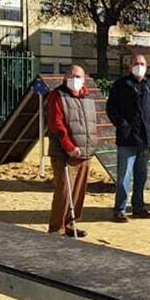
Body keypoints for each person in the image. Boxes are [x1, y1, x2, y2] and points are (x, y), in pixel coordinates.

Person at [45, 63, 97, 237]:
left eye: (78, 76)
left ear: (84, 80)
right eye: (72, 76)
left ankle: (70, 223)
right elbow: (56, 124)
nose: (75, 79)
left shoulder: (88, 97)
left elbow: (91, 124)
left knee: (79, 191)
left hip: (85, 152)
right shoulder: (57, 96)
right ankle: (56, 227)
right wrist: (69, 146)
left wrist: (91, 146)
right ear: (65, 78)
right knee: (64, 191)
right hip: (64, 153)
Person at [106, 55, 150, 222]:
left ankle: (139, 206)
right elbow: (111, 108)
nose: (139, 66)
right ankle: (120, 209)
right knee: (124, 176)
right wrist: (123, 125)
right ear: (130, 66)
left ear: (147, 66)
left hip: (145, 139)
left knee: (141, 175)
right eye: (136, 63)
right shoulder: (120, 85)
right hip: (127, 139)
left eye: (142, 64)